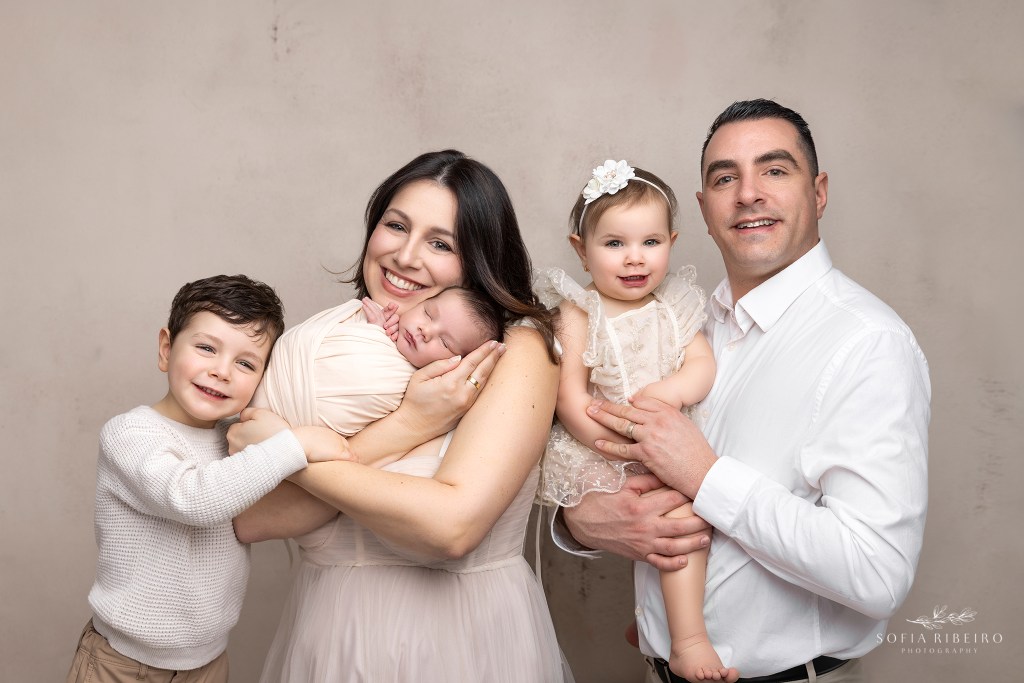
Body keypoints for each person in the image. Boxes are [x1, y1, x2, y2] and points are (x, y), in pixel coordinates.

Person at [558, 100, 930, 683]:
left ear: (819, 193)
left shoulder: (867, 343)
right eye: (725, 178)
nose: (748, 194)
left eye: (775, 170)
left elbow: (877, 574)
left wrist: (705, 476)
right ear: (704, 210)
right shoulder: (683, 321)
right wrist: (580, 521)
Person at [230, 150, 573, 682]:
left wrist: (286, 452)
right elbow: (253, 520)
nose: (406, 256)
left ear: (479, 259)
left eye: (441, 243)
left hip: (462, 640)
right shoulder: (330, 344)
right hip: (331, 633)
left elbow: (452, 528)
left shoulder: (517, 348)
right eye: (396, 225)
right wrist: (404, 427)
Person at [66, 274, 351, 683]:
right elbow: (193, 499)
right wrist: (295, 444)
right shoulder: (130, 434)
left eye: (245, 363)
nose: (221, 371)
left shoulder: (239, 440)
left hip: (208, 662)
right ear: (166, 349)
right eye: (206, 348)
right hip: (122, 664)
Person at [534, 160, 734, 682]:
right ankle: (680, 635)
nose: (634, 258)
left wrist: (671, 392)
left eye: (650, 242)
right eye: (614, 243)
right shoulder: (579, 311)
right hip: (601, 444)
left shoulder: (674, 306)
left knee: (686, 522)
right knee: (665, 523)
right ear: (582, 250)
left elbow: (702, 365)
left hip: (667, 437)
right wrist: (617, 441)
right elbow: (570, 400)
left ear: (671, 242)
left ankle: (672, 630)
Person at [252, 285, 505, 443]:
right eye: (428, 313)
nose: (425, 330)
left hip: (290, 434)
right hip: (261, 391)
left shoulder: (421, 392)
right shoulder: (369, 320)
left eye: (445, 342)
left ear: (456, 364)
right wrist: (372, 330)